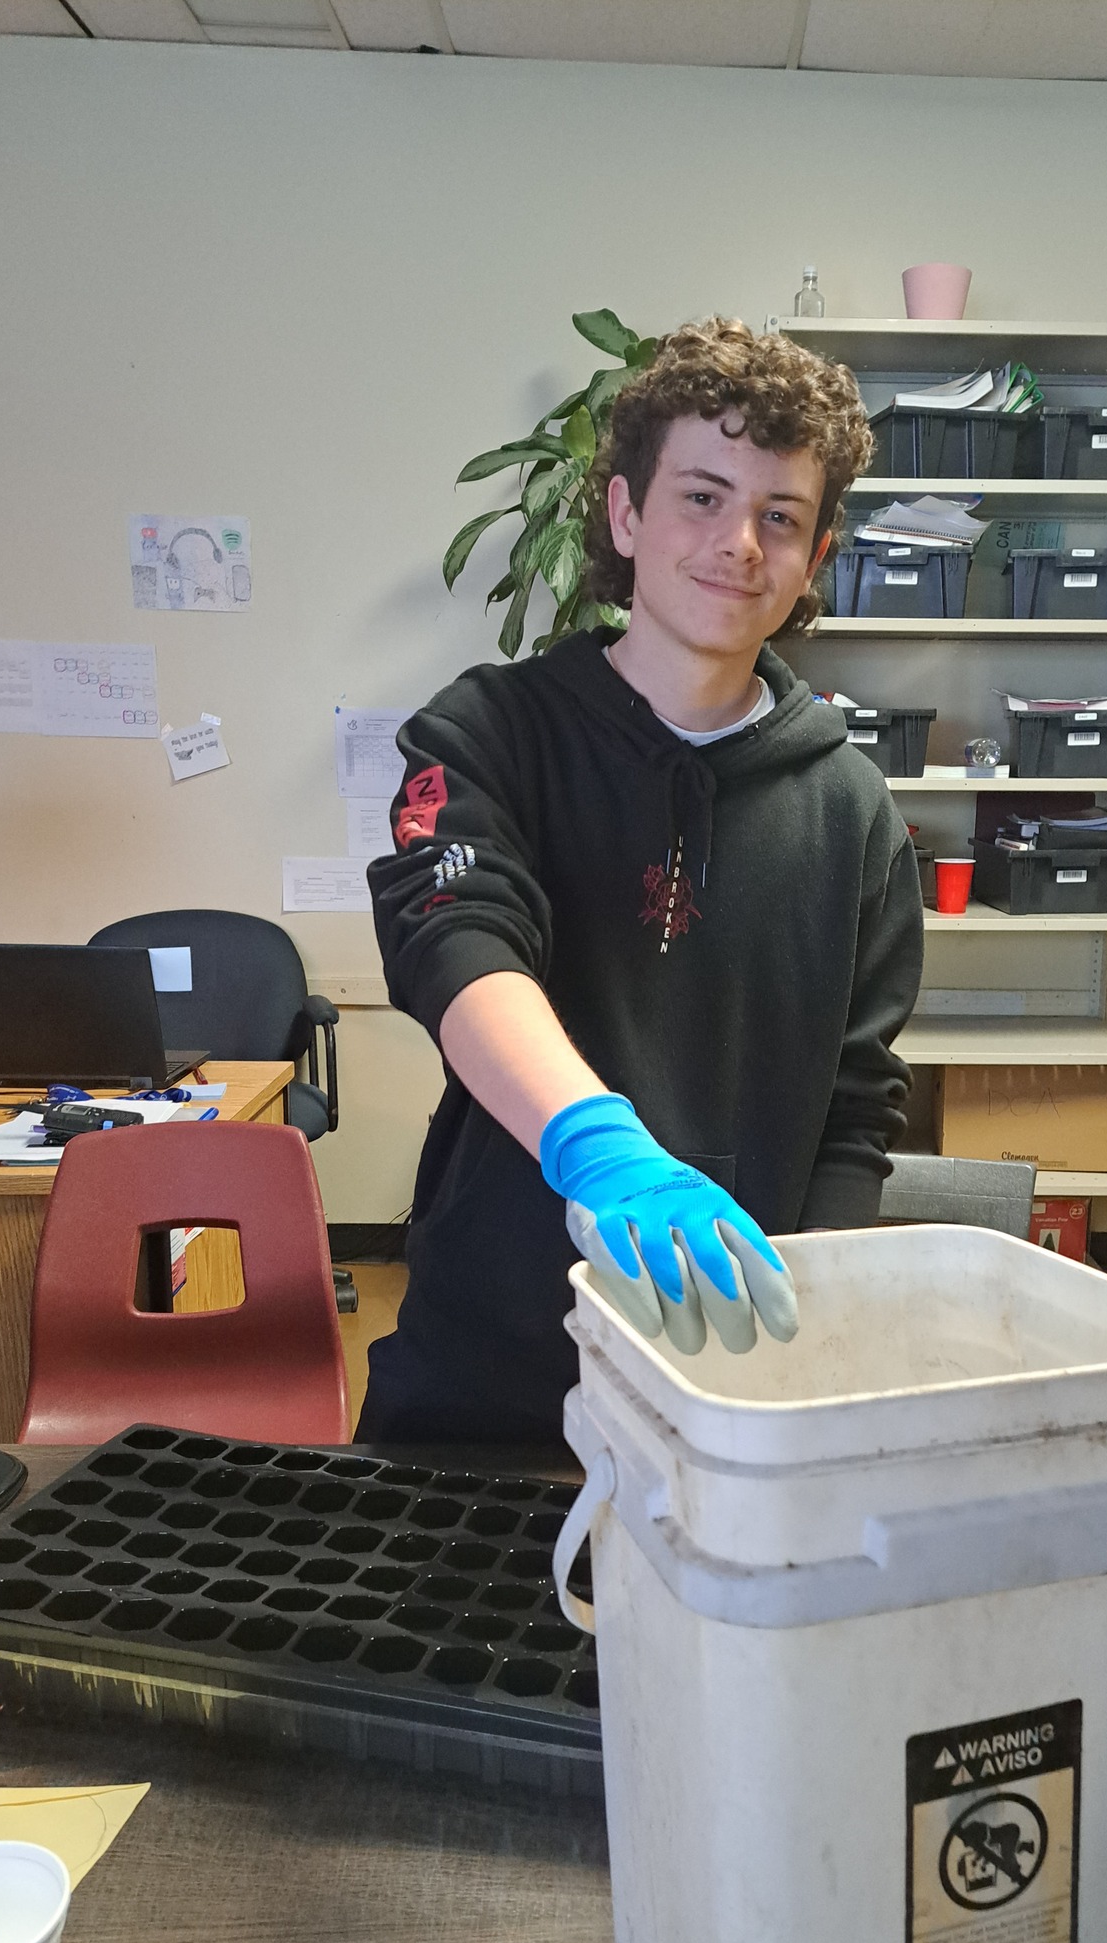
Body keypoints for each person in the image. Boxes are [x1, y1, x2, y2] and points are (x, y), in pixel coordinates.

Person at [360, 316, 924, 1442]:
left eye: (780, 516)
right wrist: (598, 1147)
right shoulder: (489, 733)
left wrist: (819, 1328)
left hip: (729, 1372)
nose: (740, 543)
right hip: (491, 1360)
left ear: (816, 556)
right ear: (625, 513)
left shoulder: (853, 811)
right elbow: (456, 942)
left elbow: (857, 1105)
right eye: (702, 497)